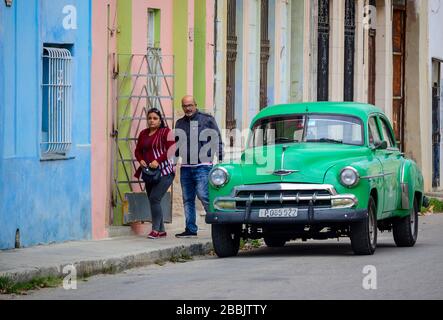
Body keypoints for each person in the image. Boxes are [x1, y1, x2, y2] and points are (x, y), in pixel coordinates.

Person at [174, 95, 224, 238]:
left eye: (190, 105)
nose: (188, 108)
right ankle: (190, 229)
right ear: (182, 107)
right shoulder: (179, 123)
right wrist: (173, 161)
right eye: (185, 106)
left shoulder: (207, 119)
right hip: (186, 167)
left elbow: (217, 138)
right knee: (187, 199)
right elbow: (177, 145)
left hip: (203, 165)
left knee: (204, 195)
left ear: (195, 105)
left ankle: (218, 224)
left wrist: (220, 156)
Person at [134, 108, 176, 239]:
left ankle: (155, 230)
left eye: (155, 118)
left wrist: (158, 161)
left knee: (154, 199)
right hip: (149, 173)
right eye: (149, 118)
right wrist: (140, 159)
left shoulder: (165, 132)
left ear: (160, 120)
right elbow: (138, 150)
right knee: (153, 200)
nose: (152, 121)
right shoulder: (143, 133)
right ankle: (162, 230)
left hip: (165, 172)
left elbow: (172, 149)